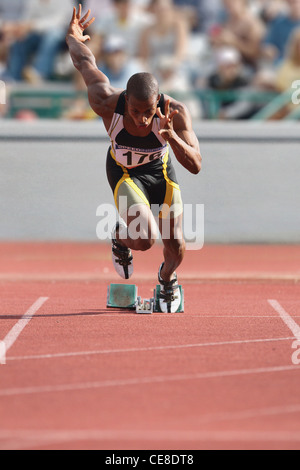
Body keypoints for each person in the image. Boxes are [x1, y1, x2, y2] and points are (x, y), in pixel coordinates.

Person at [66, 5, 202, 313]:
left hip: (160, 170)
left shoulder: (175, 114)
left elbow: (195, 165)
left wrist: (171, 138)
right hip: (124, 171)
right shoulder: (106, 101)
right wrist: (74, 37)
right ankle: (120, 237)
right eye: (135, 112)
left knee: (177, 244)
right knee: (144, 239)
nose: (141, 120)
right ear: (126, 100)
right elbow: (85, 62)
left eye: (148, 112)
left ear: (159, 102)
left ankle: (167, 280)